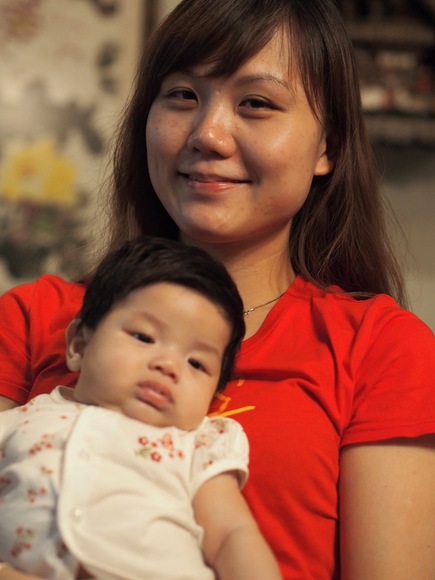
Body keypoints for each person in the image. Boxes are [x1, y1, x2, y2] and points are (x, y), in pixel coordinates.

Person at [1, 0, 435, 577]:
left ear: (327, 146)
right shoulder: (35, 317)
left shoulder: (381, 347)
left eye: (257, 103)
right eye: (183, 95)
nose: (208, 134)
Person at [0, 235, 281, 580]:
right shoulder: (20, 422)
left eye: (196, 363)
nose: (168, 365)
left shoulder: (199, 443)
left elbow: (230, 536)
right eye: (144, 337)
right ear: (80, 345)